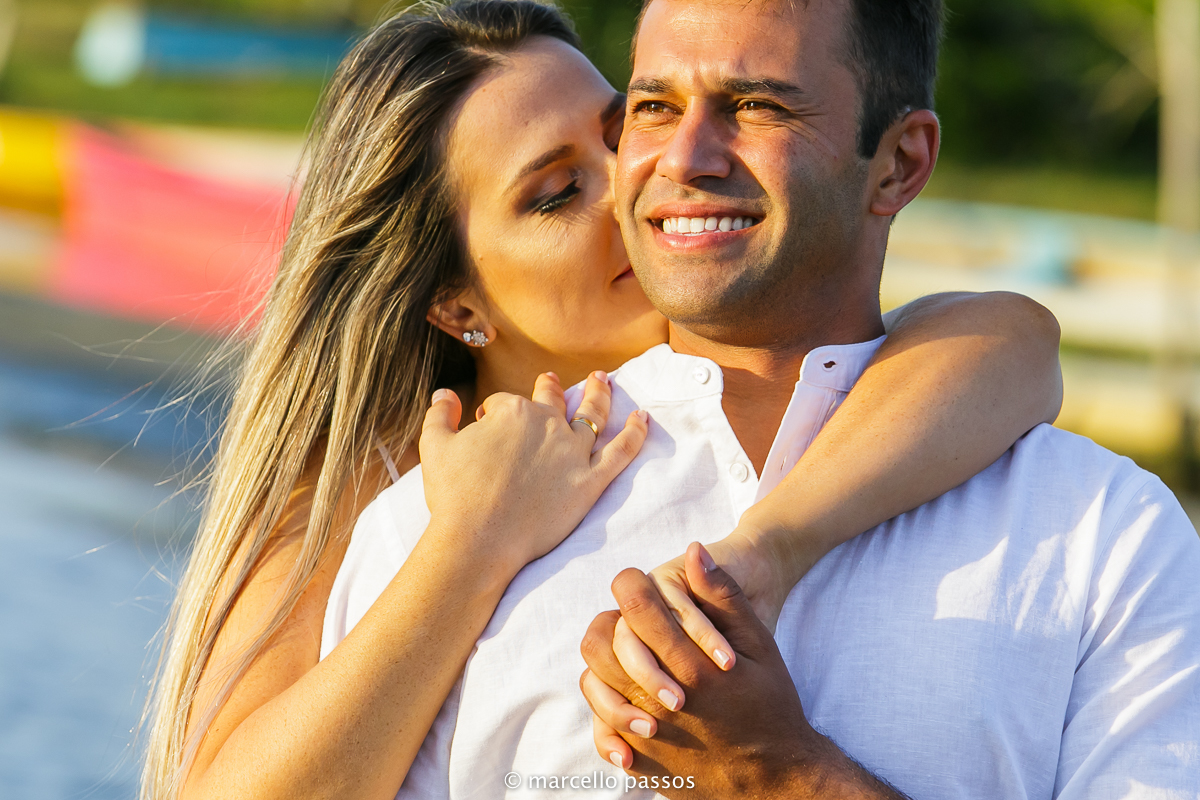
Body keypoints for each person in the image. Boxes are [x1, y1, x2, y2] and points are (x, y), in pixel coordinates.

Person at [140, 2, 1064, 799]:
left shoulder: (859, 388)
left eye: (624, 132)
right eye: (554, 194)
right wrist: (472, 542)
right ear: (457, 304)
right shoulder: (369, 506)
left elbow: (1016, 344)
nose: (635, 187)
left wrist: (770, 551)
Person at [328, 0, 1200, 798]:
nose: (683, 159)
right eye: (654, 106)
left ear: (899, 164)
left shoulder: (1106, 536)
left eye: (758, 106)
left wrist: (780, 773)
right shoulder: (430, 539)